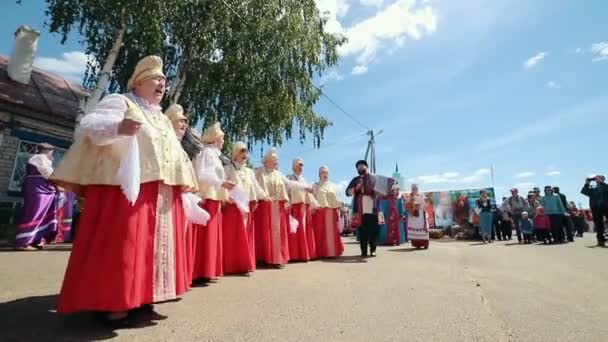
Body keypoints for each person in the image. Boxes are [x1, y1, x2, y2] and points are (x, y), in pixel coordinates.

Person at [50, 56, 198, 324]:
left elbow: (175, 153)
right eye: (156, 79)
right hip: (126, 190)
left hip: (161, 192)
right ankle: (112, 300)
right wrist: (119, 126)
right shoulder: (121, 101)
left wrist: (184, 187)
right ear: (139, 81)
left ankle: (143, 297)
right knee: (126, 244)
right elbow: (91, 125)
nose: (162, 84)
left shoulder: (161, 118)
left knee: (151, 248)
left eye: (164, 80)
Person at [192, 122, 235, 281]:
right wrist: (222, 184)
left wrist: (224, 191)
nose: (223, 141)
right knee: (208, 234)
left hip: (214, 197)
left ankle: (208, 269)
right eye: (222, 138)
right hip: (209, 196)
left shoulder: (213, 155)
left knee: (212, 234)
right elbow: (202, 174)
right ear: (215, 139)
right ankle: (203, 270)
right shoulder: (208, 154)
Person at [254, 149, 310, 267]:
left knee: (279, 232)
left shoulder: (279, 174)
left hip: (278, 207)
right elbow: (254, 185)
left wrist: (304, 187)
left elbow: (290, 183)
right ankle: (265, 258)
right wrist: (263, 196)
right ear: (267, 160)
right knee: (265, 232)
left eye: (276, 159)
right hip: (265, 206)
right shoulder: (259, 172)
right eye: (274, 158)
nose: (276, 160)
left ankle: (277, 258)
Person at [223, 141, 267, 274]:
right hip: (233, 206)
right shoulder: (228, 168)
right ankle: (231, 266)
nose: (244, 154)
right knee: (232, 236)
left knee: (245, 235)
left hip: (245, 207)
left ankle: (243, 264)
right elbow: (222, 183)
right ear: (235, 153)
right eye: (241, 151)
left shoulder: (249, 171)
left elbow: (256, 186)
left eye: (246, 152)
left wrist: (264, 196)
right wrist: (226, 196)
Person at [165, 104, 197, 282]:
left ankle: (174, 280)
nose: (184, 126)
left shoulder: (180, 148)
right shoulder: (166, 144)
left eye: (185, 123)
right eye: (180, 122)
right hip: (167, 198)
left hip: (179, 197)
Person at [15, 143, 59, 250]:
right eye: (52, 151)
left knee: (41, 213)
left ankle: (35, 240)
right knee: (35, 212)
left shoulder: (40, 158)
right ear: (49, 151)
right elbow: (49, 174)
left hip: (42, 188)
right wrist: (60, 182)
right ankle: (23, 242)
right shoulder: (40, 158)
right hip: (39, 188)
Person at [345, 160, 380, 256]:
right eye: (358, 167)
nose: (359, 168)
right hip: (359, 209)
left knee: (374, 230)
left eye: (361, 166)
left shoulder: (374, 178)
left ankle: (373, 250)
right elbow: (347, 192)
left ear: (366, 167)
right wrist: (356, 188)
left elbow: (382, 190)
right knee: (362, 231)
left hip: (374, 208)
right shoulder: (355, 180)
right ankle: (363, 251)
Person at [287, 158, 317, 261]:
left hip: (304, 208)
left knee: (304, 230)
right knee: (294, 231)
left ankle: (304, 254)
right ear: (294, 166)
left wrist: (315, 205)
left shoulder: (304, 180)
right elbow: (288, 190)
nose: (301, 167)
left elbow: (309, 194)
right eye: (299, 165)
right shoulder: (289, 178)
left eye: (302, 165)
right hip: (294, 208)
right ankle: (294, 255)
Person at [312, 166, 344, 258]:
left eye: (326, 172)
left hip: (331, 212)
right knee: (320, 233)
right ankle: (321, 253)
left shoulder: (333, 186)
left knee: (332, 232)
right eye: (322, 172)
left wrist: (341, 207)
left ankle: (332, 252)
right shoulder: (315, 185)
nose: (324, 174)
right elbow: (312, 198)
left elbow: (337, 198)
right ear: (319, 174)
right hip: (320, 212)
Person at [581, 175, 608, 247]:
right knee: (599, 225)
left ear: (603, 179)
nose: (596, 179)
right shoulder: (593, 188)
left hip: (606, 206)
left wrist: (601, 182)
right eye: (595, 178)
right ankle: (600, 241)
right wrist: (587, 183)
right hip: (595, 208)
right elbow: (584, 191)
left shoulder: (605, 186)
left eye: (598, 178)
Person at [405, 184, 429, 249]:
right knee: (414, 229)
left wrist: (424, 202)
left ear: (418, 189)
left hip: (421, 215)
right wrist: (412, 204)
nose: (415, 190)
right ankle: (417, 244)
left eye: (416, 189)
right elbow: (406, 206)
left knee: (423, 229)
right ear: (412, 189)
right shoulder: (409, 196)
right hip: (413, 215)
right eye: (413, 189)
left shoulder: (422, 195)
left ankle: (425, 243)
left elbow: (426, 204)